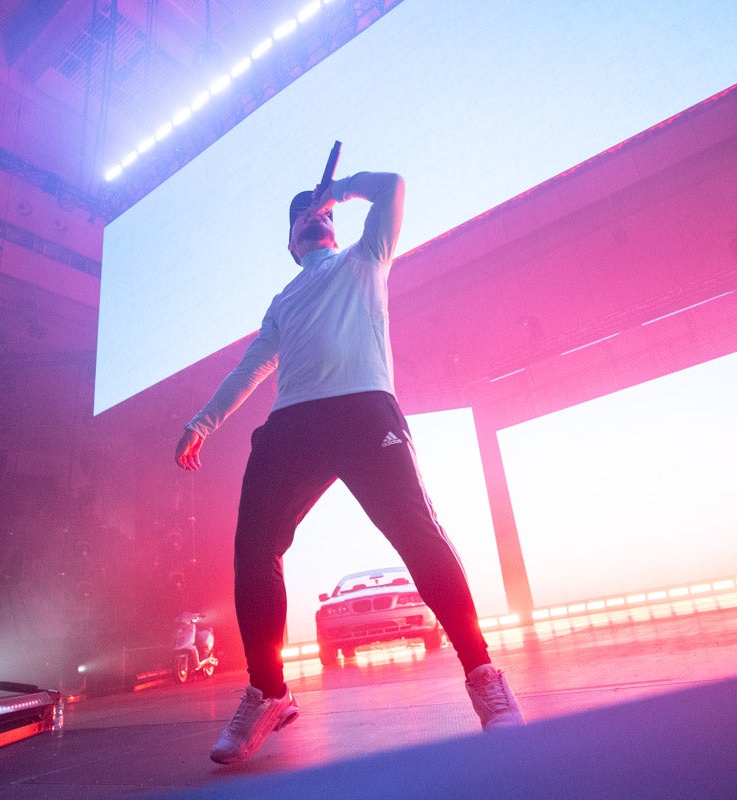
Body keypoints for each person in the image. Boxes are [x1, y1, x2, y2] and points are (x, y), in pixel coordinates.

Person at [175, 167, 524, 764]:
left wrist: (337, 193)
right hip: (294, 424)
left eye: (326, 215)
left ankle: (484, 676)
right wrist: (203, 421)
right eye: (305, 217)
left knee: (418, 536)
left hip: (366, 412)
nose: (318, 218)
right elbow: (251, 367)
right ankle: (268, 693)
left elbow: (392, 185)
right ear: (291, 242)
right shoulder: (284, 299)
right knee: (254, 549)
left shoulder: (366, 257)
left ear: (336, 226)